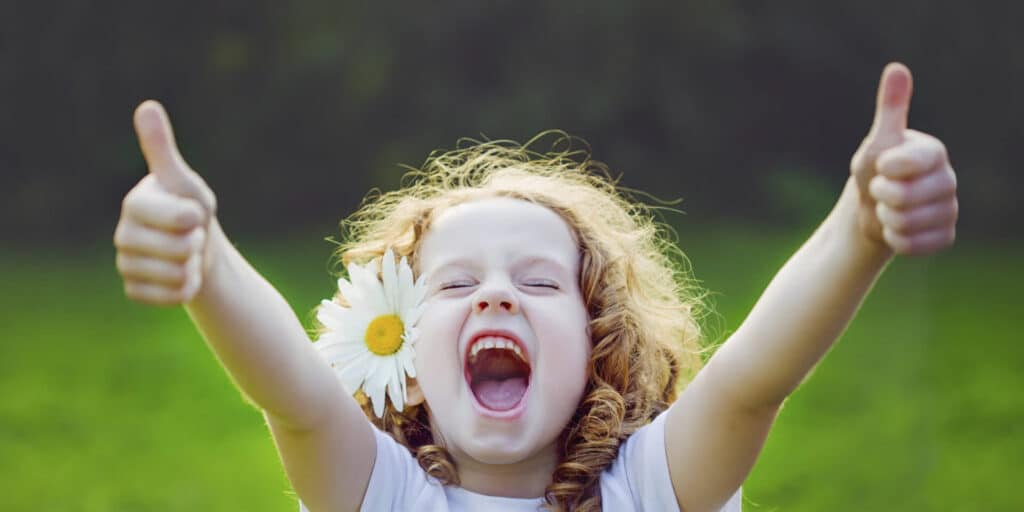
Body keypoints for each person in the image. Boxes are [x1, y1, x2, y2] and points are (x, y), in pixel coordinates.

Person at [112, 62, 959, 511]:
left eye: (540, 281)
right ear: (398, 343)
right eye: (454, 284)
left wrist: (860, 230)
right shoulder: (384, 497)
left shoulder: (650, 491)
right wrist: (207, 262)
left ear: (600, 342)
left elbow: (751, 384)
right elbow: (293, 393)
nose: (496, 296)